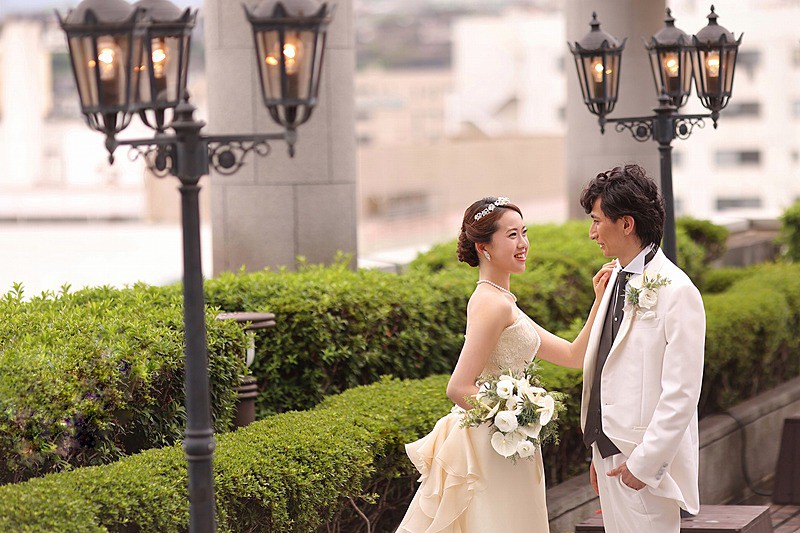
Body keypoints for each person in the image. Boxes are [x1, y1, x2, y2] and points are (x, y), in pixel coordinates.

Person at [397, 196, 614, 532]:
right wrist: (515, 416)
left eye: (524, 232)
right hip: (492, 443)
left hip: (510, 439)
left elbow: (573, 355)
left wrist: (599, 300)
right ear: (483, 247)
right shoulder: (492, 304)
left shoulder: (503, 301)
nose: (523, 243)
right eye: (512, 235)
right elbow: (458, 387)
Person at [579, 164, 706, 532]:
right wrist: (599, 449)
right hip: (607, 457)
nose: (592, 232)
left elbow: (682, 393)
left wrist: (644, 465)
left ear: (626, 224)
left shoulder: (678, 291)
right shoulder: (612, 278)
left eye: (597, 221)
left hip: (642, 465)